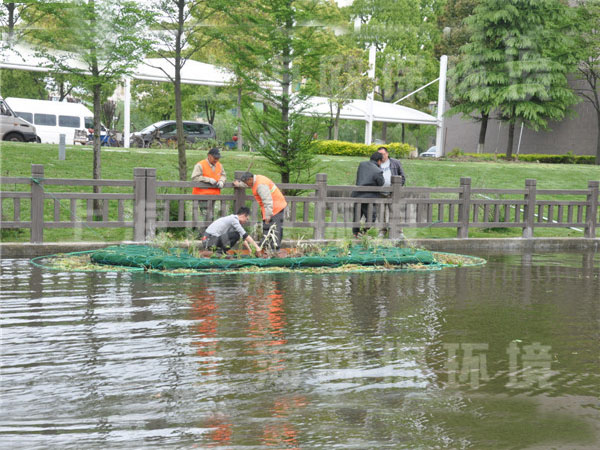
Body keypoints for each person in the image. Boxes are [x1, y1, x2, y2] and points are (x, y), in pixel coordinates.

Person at [233, 172, 287, 249]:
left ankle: (274, 250)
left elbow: (267, 201)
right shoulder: (256, 179)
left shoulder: (261, 185)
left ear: (250, 179)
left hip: (275, 207)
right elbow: (249, 184)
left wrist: (268, 216)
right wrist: (239, 184)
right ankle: (265, 247)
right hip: (271, 207)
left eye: (246, 182)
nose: (246, 184)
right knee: (268, 228)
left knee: (275, 229)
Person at [352, 151, 384, 237]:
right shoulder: (378, 171)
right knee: (371, 217)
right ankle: (363, 232)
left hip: (357, 194)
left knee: (357, 215)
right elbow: (381, 183)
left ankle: (355, 233)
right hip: (369, 197)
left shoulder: (362, 164)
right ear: (379, 161)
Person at [378, 146, 406, 237]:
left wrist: (397, 189)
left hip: (393, 193)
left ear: (387, 154)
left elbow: (402, 177)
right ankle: (382, 231)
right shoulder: (376, 163)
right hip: (380, 193)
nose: (381, 156)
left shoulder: (395, 163)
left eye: (383, 154)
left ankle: (399, 231)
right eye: (379, 154)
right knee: (381, 212)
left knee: (395, 211)